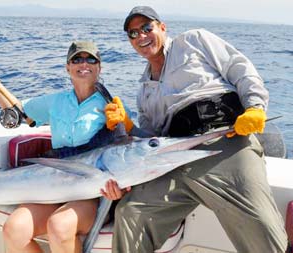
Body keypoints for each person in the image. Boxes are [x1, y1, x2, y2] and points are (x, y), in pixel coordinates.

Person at [102, 6, 288, 253]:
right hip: (176, 160)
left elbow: (241, 70)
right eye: (133, 33)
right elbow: (153, 141)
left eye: (147, 28)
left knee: (261, 225)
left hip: (225, 144)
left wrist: (255, 107)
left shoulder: (194, 41)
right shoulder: (143, 91)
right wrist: (128, 125)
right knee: (130, 212)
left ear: (162, 27)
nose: (142, 36)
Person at [0, 41, 113, 253]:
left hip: (89, 194)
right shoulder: (57, 101)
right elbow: (15, 110)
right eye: (77, 59)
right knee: (13, 230)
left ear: (99, 67)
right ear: (67, 67)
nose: (84, 63)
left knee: (59, 226)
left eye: (91, 59)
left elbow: (124, 148)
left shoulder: (111, 105)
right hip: (52, 186)